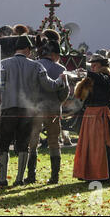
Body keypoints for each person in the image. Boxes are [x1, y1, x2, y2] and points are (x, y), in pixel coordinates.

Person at [0, 36, 68, 187]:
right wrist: (61, 79)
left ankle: (2, 179)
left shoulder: (3, 64)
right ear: (28, 50)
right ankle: (19, 179)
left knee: (3, 144)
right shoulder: (36, 66)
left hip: (9, 110)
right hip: (28, 112)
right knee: (23, 145)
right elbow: (50, 86)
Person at [73, 54, 110, 182]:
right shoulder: (91, 78)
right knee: (88, 145)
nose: (93, 66)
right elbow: (80, 96)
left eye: (96, 64)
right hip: (89, 114)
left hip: (101, 114)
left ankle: (102, 174)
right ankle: (88, 173)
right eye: (92, 64)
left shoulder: (107, 77)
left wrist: (87, 73)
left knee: (100, 145)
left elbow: (102, 79)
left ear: (102, 65)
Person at [27, 39, 69, 184]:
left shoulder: (32, 66)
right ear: (54, 54)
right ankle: (54, 176)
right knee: (53, 141)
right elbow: (65, 91)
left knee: (32, 142)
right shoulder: (61, 69)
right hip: (53, 108)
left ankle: (31, 175)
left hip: (34, 108)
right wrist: (58, 102)